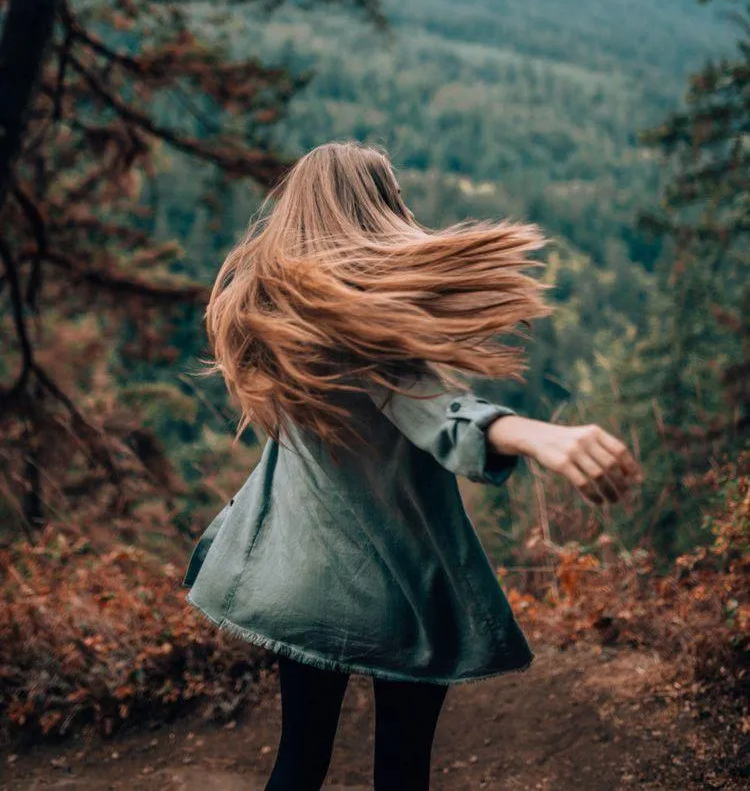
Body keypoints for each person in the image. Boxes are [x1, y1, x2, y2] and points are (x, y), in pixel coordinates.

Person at [182, 140, 643, 791]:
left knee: (299, 759)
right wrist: (539, 435)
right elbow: (443, 417)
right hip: (399, 592)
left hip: (298, 585)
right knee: (401, 771)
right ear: (380, 207)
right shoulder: (369, 339)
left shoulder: (280, 326)